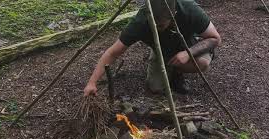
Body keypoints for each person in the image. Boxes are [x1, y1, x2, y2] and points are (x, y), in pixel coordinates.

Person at [84, 0, 221, 96]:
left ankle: (177, 72)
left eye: (160, 25)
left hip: (189, 45)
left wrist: (188, 53)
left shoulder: (189, 9)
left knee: (202, 63)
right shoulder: (141, 22)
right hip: (161, 50)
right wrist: (92, 82)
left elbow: (215, 38)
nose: (155, 28)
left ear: (173, 14)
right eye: (152, 25)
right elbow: (113, 53)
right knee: (155, 87)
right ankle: (163, 60)